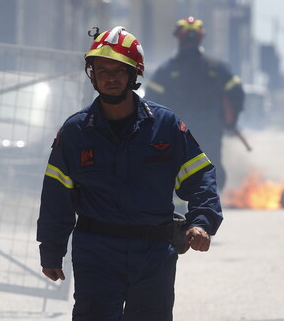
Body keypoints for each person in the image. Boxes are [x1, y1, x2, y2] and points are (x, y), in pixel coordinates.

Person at [37, 26, 223, 320]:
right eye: (102, 69)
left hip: (153, 253)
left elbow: (200, 178)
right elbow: (56, 196)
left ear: (134, 74)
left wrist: (202, 222)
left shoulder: (166, 126)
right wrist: (51, 250)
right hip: (96, 253)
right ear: (92, 74)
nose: (110, 77)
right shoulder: (75, 132)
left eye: (118, 70)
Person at [145, 16, 245, 190]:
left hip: (178, 128)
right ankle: (208, 201)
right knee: (209, 164)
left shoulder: (167, 70)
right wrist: (231, 119)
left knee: (178, 165)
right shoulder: (217, 67)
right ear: (201, 38)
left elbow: (150, 101)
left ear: (178, 38)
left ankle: (184, 205)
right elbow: (237, 93)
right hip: (209, 127)